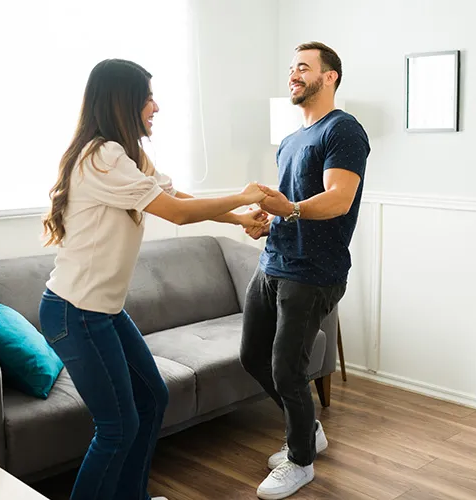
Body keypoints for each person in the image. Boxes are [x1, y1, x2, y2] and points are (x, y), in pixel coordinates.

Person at [38, 58, 267, 500]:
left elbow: (178, 197)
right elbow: (178, 214)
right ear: (124, 102)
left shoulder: (126, 156)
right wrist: (242, 194)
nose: (156, 107)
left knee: (152, 399)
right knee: (117, 427)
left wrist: (239, 218)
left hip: (100, 312)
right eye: (148, 98)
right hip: (75, 313)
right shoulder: (101, 157)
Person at [240, 42, 370, 499]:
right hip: (273, 263)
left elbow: (338, 198)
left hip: (314, 271)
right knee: (252, 357)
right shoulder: (291, 139)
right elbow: (289, 202)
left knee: (288, 371)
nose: (293, 75)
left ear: (330, 76)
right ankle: (307, 429)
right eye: (291, 68)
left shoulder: (344, 130)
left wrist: (289, 208)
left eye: (303, 68)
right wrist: (268, 218)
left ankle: (300, 461)